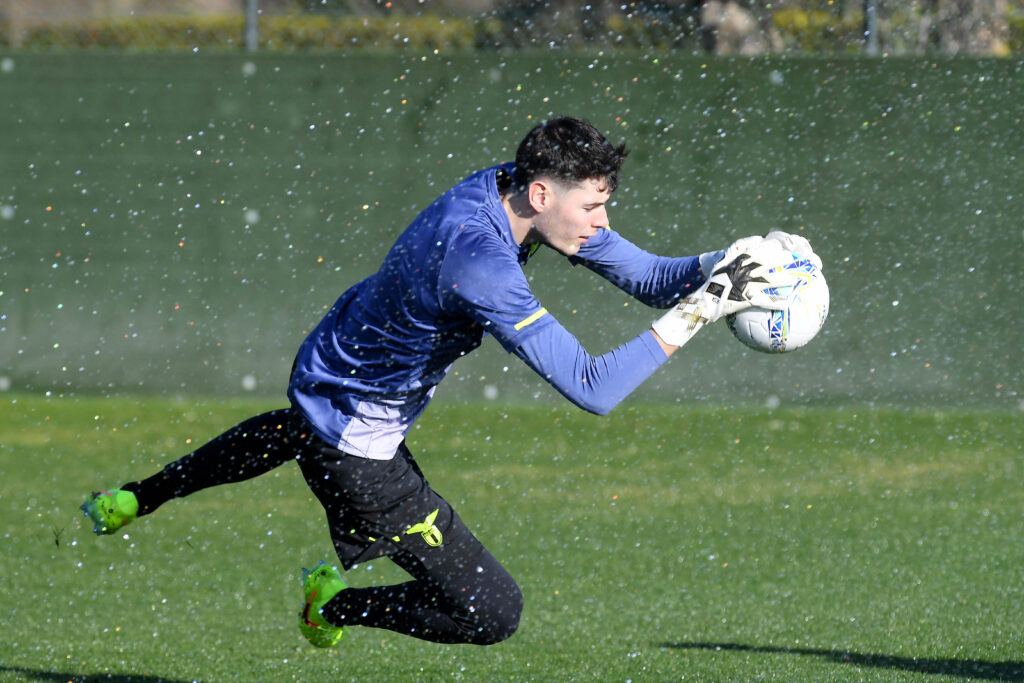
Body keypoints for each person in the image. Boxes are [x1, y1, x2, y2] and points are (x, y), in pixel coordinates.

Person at [82, 116, 814, 648]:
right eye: (591, 206)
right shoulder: (478, 262)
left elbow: (649, 276)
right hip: (361, 454)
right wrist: (705, 308)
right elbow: (593, 385)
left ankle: (135, 497)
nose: (600, 222)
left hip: (327, 369)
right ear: (539, 193)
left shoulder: (507, 192)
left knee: (293, 428)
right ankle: (332, 606)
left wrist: (738, 258)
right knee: (491, 611)